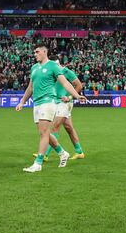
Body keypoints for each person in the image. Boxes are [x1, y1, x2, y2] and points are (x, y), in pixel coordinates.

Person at [15, 45, 87, 173]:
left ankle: (38, 163)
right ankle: (62, 153)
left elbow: (65, 82)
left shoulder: (53, 66)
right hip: (36, 103)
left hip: (48, 101)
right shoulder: (34, 68)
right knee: (45, 132)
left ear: (44, 52)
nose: (35, 54)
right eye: (34, 52)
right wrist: (22, 101)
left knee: (44, 132)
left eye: (37, 52)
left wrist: (75, 96)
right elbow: (30, 87)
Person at [49, 57, 86, 161]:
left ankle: (44, 155)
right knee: (69, 128)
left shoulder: (66, 72)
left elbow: (78, 85)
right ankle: (79, 152)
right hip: (56, 102)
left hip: (65, 103)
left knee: (55, 126)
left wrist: (69, 97)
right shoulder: (52, 73)